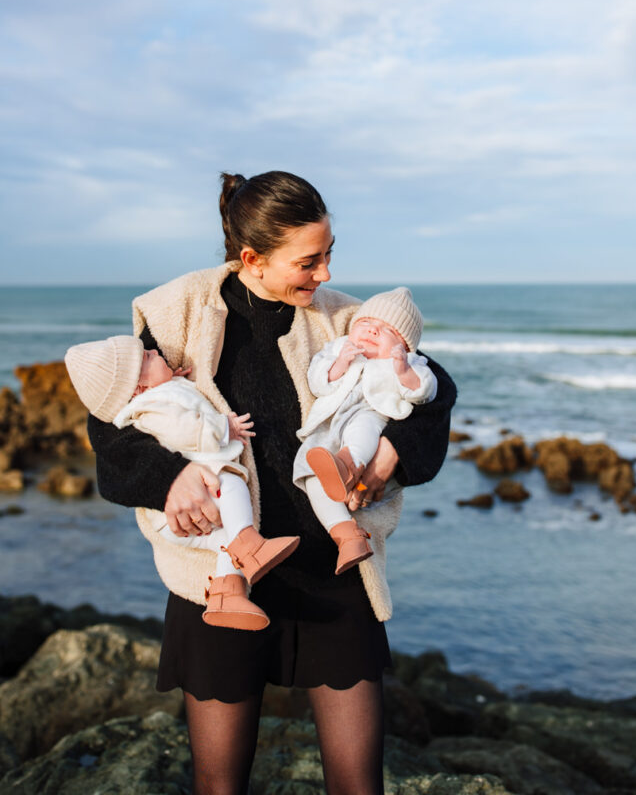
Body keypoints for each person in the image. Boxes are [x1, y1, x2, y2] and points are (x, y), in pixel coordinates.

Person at [87, 170, 457, 795]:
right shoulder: (175, 312)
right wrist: (169, 479)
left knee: (359, 783)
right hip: (220, 578)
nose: (327, 275)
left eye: (330, 253)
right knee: (219, 783)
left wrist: (392, 453)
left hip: (335, 566)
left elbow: (436, 388)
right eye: (309, 261)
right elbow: (112, 415)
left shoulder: (346, 320)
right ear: (252, 258)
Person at [64, 335, 299, 629]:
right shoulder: (155, 405)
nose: (153, 350)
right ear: (139, 388)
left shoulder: (155, 396)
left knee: (226, 540)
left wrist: (170, 381)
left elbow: (170, 409)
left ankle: (226, 594)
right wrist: (223, 428)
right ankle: (249, 546)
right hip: (191, 501)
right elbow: (181, 428)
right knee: (232, 485)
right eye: (147, 357)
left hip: (175, 521)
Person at [293, 287, 437, 575]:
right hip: (329, 423)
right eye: (365, 323)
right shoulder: (338, 347)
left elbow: (426, 391)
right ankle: (347, 535)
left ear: (405, 345)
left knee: (363, 433)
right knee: (309, 470)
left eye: (386, 330)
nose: (372, 330)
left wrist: (403, 370)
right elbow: (317, 381)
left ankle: (348, 466)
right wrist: (339, 363)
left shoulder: (409, 363)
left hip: (371, 415)